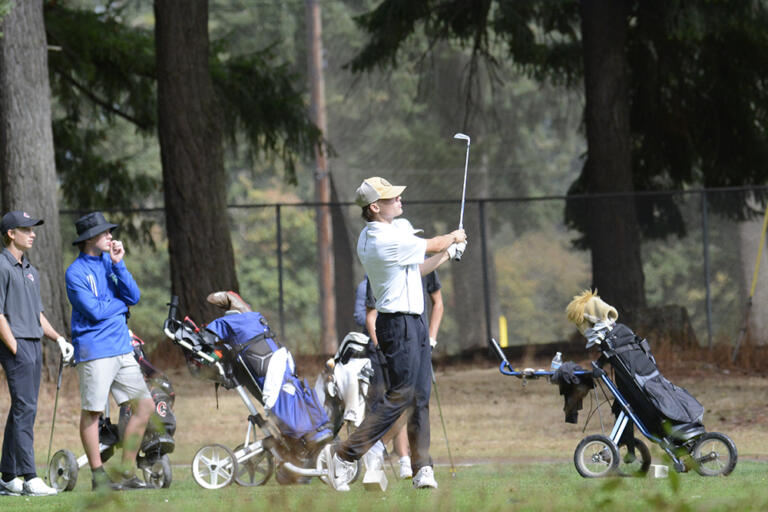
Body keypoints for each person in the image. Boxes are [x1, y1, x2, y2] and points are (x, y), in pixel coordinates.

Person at [329, 176, 466, 491]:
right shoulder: (380, 238)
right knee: (402, 395)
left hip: (414, 322)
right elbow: (430, 244)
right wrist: (453, 237)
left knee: (420, 395)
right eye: (392, 199)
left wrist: (448, 254)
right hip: (397, 325)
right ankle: (347, 452)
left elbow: (417, 269)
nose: (399, 200)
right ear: (375, 207)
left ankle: (422, 468)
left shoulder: (387, 234)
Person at [65, 212, 154, 491]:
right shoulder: (75, 273)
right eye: (105, 233)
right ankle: (98, 476)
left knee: (145, 406)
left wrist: (119, 264)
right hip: (94, 349)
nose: (110, 237)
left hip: (121, 347)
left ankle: (126, 471)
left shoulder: (109, 262)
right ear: (90, 238)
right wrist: (121, 306)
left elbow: (134, 296)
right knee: (92, 412)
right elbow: (94, 312)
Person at [0, 211, 74, 497]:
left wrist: (58, 338)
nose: (32, 234)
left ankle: (7, 476)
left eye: (33, 229)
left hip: (34, 344)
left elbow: (37, 314)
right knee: (25, 409)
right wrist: (15, 347)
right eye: (26, 229)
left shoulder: (31, 270)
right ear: (11, 233)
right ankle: (29, 477)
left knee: (22, 410)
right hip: (16, 346)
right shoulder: (2, 265)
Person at [364, 271, 443, 479]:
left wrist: (432, 338)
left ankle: (412, 463)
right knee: (401, 400)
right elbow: (371, 314)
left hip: (420, 344)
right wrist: (381, 348)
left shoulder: (424, 260)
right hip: (392, 345)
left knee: (417, 400)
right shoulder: (383, 258)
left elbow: (438, 303)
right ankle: (379, 449)